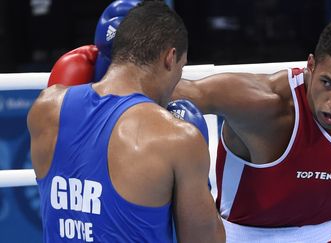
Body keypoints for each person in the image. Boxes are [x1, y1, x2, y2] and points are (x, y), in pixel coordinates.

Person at [172, 16, 331, 242]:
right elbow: (172, 90)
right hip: (248, 235)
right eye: (327, 83)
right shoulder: (265, 105)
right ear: (311, 66)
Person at [27, 1, 225, 242]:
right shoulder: (177, 137)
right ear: (170, 58)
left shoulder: (46, 107)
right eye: (181, 68)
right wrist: (198, 177)